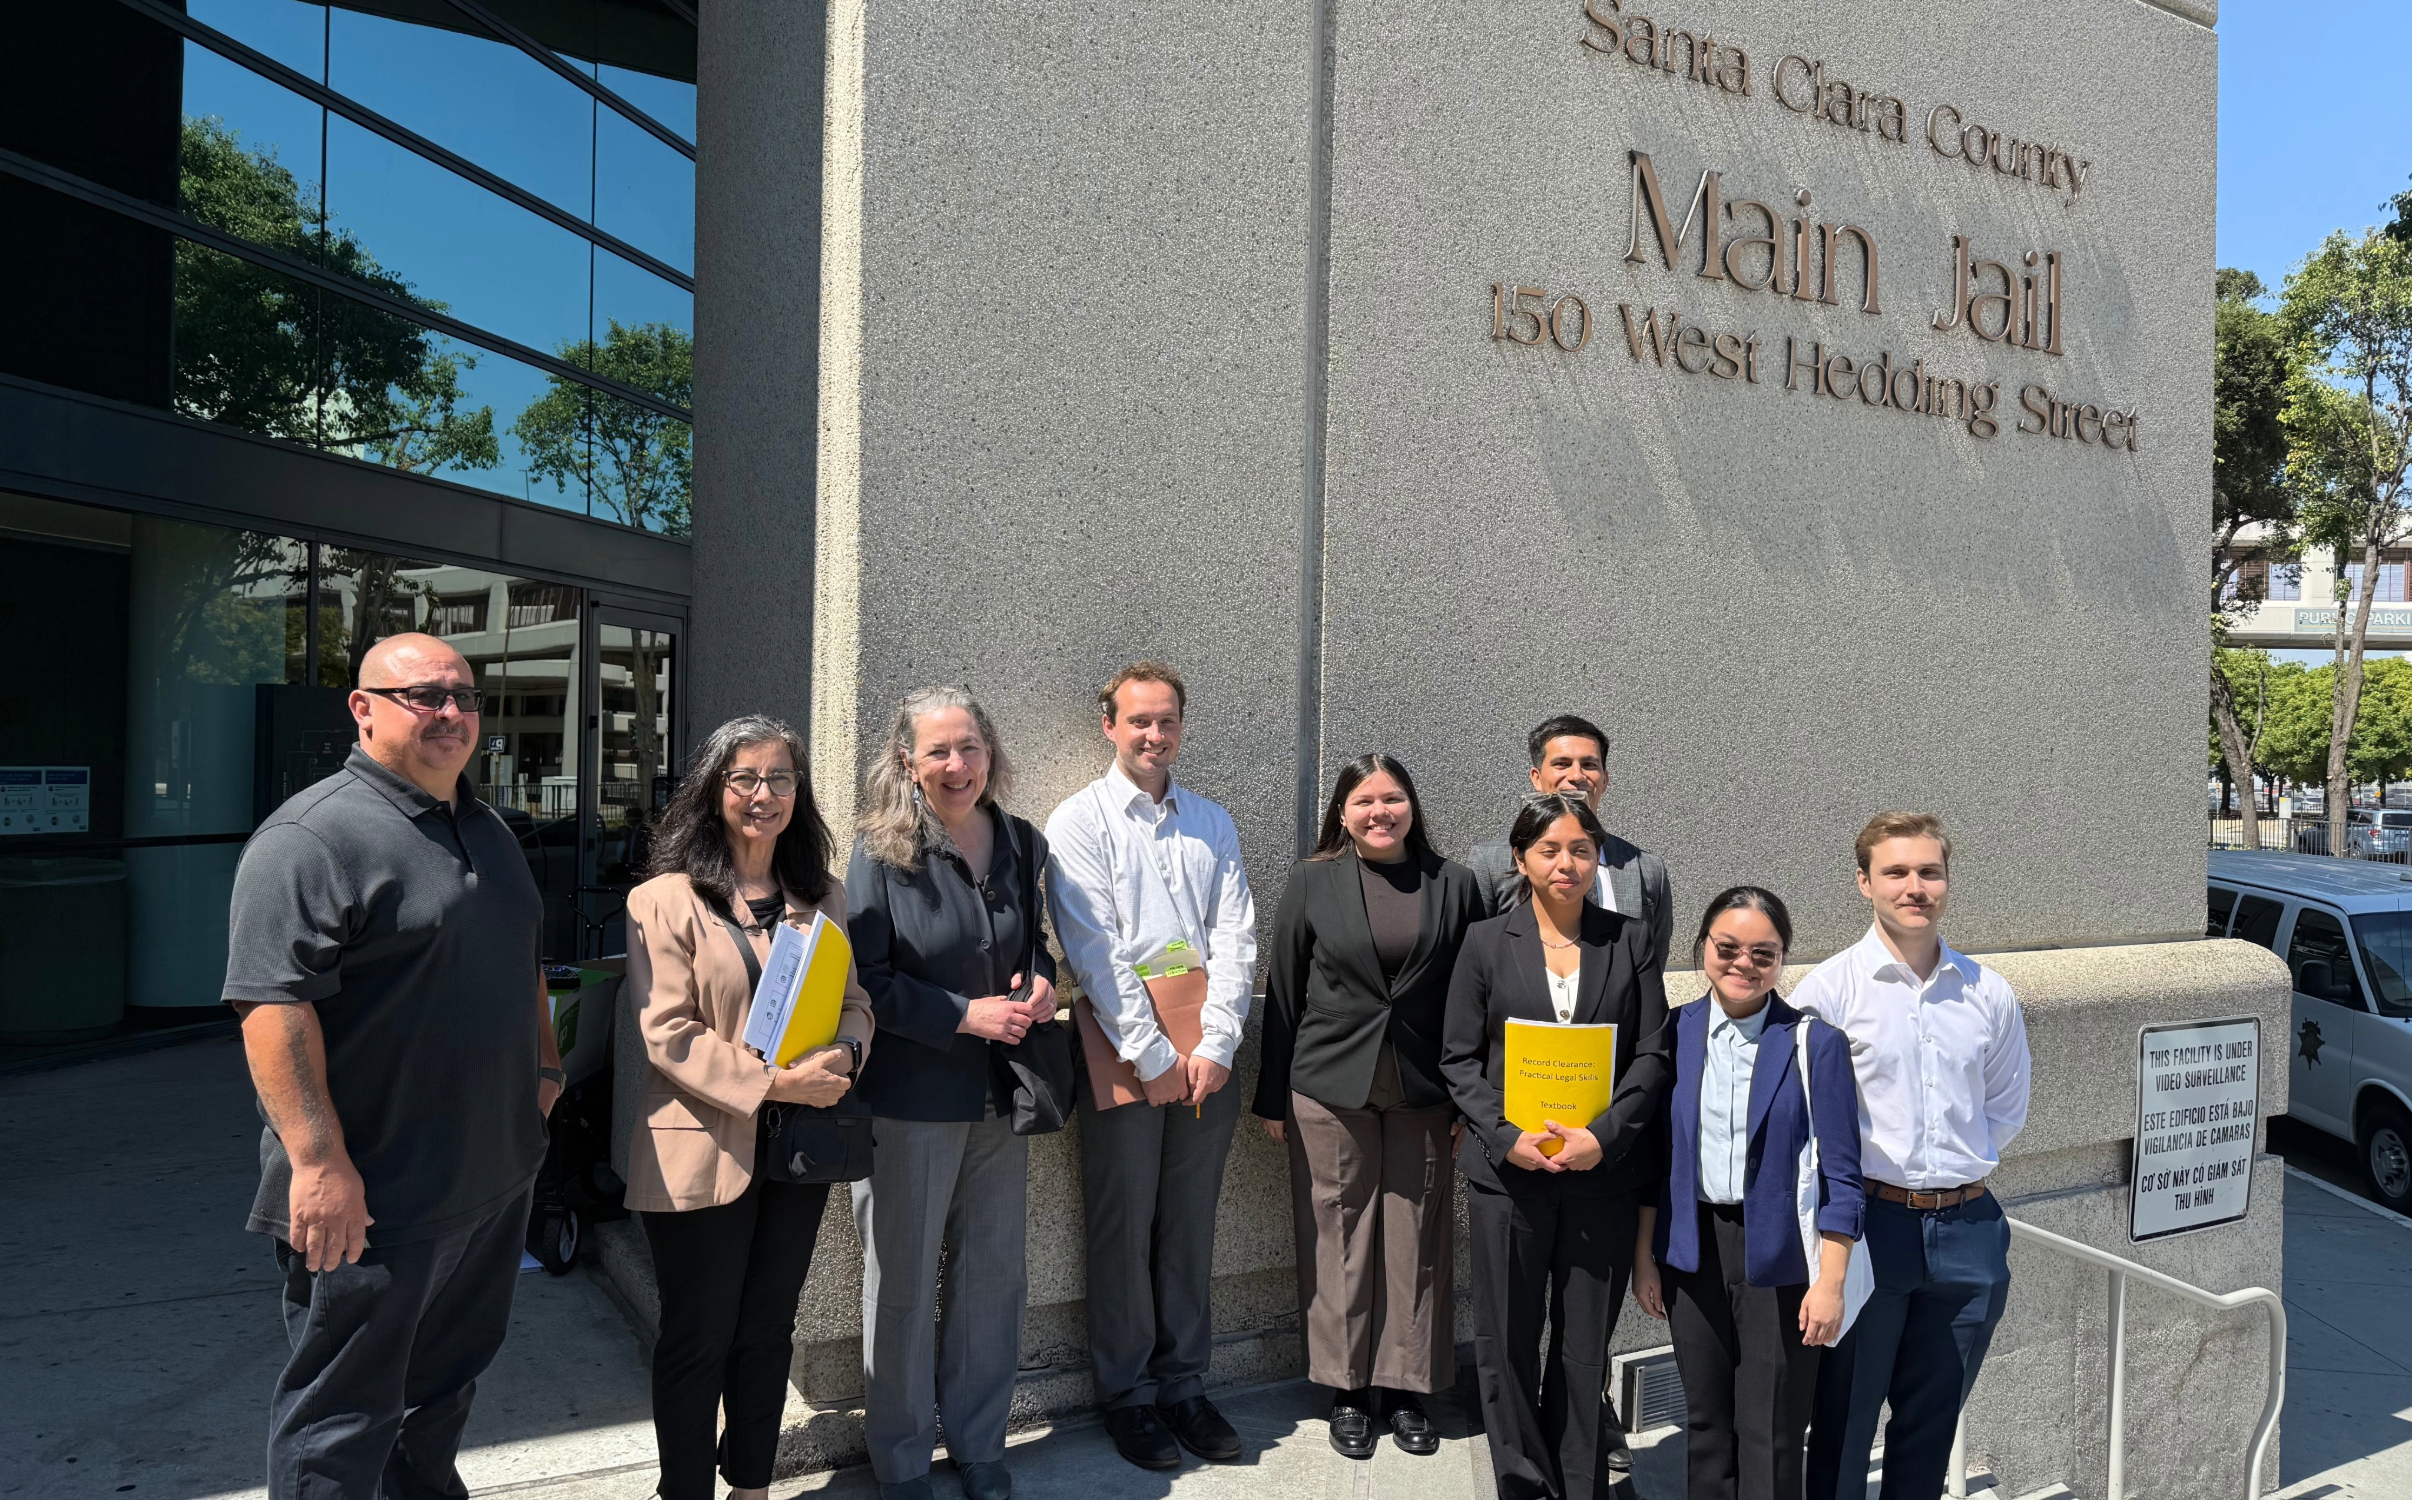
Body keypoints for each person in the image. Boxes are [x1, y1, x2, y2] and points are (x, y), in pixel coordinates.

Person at [223, 633, 558, 1500]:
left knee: (442, 1392)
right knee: (342, 1415)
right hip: (376, 1196)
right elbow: (271, 1005)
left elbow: (522, 958)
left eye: (463, 696)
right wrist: (317, 1162)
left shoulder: (488, 829)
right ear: (363, 709)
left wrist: (546, 1073)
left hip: (492, 1177)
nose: (450, 712)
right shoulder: (310, 837)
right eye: (424, 695)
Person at [623, 716, 874, 1500]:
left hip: (795, 1150)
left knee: (768, 1330)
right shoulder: (662, 901)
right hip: (696, 1147)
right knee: (699, 1336)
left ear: (800, 794)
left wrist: (849, 1053)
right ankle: (686, 1490)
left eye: (780, 780)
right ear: (713, 790)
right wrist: (776, 1083)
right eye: (745, 779)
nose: (763, 795)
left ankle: (753, 1485)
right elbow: (667, 1033)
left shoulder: (821, 895)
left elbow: (855, 1001)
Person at [1046, 661, 1259, 1471]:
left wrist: (1215, 1044)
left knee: (1189, 1226)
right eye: (1138, 721)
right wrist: (1153, 1053)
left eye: (1166, 720)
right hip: (1122, 1047)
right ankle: (1128, 1395)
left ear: (1181, 727)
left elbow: (1235, 934)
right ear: (1109, 725)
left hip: (1207, 1053)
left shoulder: (1212, 821)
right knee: (1122, 1224)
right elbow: (1091, 949)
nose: (1153, 735)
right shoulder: (1079, 821)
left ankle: (1184, 1385)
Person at [845, 687, 1055, 1500]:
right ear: (908, 761)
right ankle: (900, 1461)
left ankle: (979, 1445)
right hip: (909, 1097)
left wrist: (1038, 987)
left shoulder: (1022, 842)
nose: (958, 765)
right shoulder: (879, 849)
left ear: (990, 751)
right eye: (938, 751)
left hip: (1002, 1095)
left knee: (992, 1277)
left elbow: (1033, 944)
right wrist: (963, 1015)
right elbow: (865, 980)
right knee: (900, 1281)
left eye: (969, 747)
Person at [1253, 754, 1489, 1460]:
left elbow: (1474, 996)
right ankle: (1348, 1387)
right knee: (1339, 1233)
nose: (1380, 812)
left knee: (1417, 1239)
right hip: (1328, 1086)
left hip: (1426, 1089)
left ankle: (1411, 1389)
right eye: (1364, 801)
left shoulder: (1455, 885)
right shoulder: (1311, 881)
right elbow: (1285, 993)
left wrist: (1470, 1099)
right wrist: (1272, 1098)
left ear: (1412, 806)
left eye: (1392, 799)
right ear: (1343, 811)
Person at [1441, 793, 1674, 1500]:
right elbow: (1457, 1059)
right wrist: (1506, 1138)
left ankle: (1580, 1481)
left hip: (1599, 1177)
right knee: (1506, 1344)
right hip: (1508, 1178)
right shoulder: (1486, 942)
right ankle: (1522, 1479)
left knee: (1581, 1350)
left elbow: (1653, 1053)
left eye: (1580, 848)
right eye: (1549, 849)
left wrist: (1602, 1138)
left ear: (1597, 857)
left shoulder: (1629, 940)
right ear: (1521, 858)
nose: (1565, 863)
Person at [1797, 814, 2030, 1500]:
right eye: (1896, 872)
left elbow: (2005, 1108)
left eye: (1929, 872)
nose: (1915, 887)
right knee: (1843, 1423)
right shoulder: (1830, 992)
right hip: (1869, 1229)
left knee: (1931, 1427)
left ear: (1946, 882)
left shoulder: (1987, 991)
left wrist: (1953, 1174)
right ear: (1864, 882)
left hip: (1969, 1231)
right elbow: (1808, 1126)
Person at [1630, 888, 1864, 1500]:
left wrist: (1831, 1281)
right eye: (1728, 948)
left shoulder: (1817, 1044)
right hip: (1691, 1250)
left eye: (1764, 953)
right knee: (1706, 1422)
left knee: (1775, 1428)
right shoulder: (1673, 1033)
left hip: (1782, 1256)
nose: (1744, 963)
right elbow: (1657, 1159)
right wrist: (1644, 1258)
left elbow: (1843, 1175)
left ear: (1783, 959)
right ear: (1703, 947)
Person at [1466, 715, 1674, 970]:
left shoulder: (1647, 868)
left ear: (1605, 780)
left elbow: (1653, 966)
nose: (1576, 776)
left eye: (1589, 764)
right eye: (1562, 764)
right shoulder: (1491, 863)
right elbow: (1473, 961)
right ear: (1536, 777)